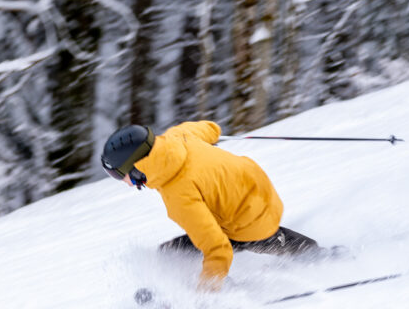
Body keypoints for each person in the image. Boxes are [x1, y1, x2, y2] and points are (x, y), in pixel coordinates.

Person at [100, 121, 322, 291]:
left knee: (174, 253)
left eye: (118, 173)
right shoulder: (178, 136)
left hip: (248, 221)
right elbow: (211, 128)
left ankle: (211, 288)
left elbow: (218, 248)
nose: (120, 180)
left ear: (138, 167)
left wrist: (205, 300)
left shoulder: (179, 194)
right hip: (260, 193)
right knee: (194, 243)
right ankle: (315, 253)